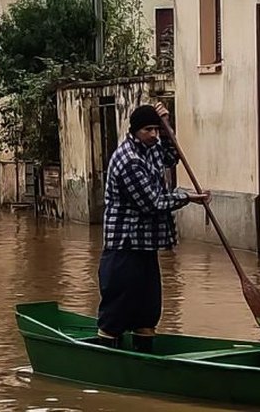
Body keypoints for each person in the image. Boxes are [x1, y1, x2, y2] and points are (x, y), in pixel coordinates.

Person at [97, 102, 210, 353]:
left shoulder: (153, 146)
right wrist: (189, 198)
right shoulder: (129, 160)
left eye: (156, 130)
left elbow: (172, 156)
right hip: (124, 245)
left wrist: (168, 126)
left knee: (148, 309)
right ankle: (106, 355)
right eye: (149, 130)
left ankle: (144, 353)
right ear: (136, 130)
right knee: (117, 307)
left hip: (146, 244)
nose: (154, 135)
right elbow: (152, 203)